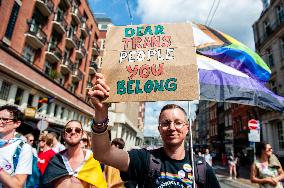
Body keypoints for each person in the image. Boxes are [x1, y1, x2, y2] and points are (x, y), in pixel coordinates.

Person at [88, 73, 220, 188]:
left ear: (187, 129)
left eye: (178, 123)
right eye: (166, 123)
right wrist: (100, 112)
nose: (172, 128)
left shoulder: (202, 168)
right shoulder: (144, 159)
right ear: (159, 129)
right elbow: (102, 154)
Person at [41, 120, 106, 188]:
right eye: (69, 130)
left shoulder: (92, 161)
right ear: (64, 135)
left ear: (82, 134)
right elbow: (45, 184)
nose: (73, 132)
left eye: (77, 130)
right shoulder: (56, 160)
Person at [0, 105, 33, 187]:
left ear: (17, 123)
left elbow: (17, 185)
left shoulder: (23, 148)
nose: (0, 122)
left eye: (5, 119)